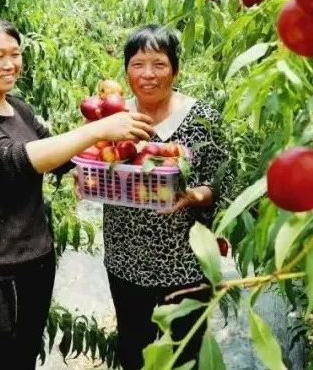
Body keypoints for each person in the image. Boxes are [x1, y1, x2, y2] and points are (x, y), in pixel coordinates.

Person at [0, 14, 154, 369]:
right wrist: (99, 129)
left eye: (16, 54)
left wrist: (120, 149)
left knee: (25, 356)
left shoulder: (20, 109)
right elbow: (11, 160)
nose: (11, 64)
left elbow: (60, 158)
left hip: (37, 259)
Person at [98, 24, 232, 369]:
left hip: (185, 262)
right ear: (126, 69)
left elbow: (222, 183)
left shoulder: (202, 119)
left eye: (159, 64)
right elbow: (92, 162)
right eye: (138, 64)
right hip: (126, 257)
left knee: (187, 351)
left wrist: (192, 195)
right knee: (134, 348)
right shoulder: (113, 118)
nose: (148, 74)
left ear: (175, 68)